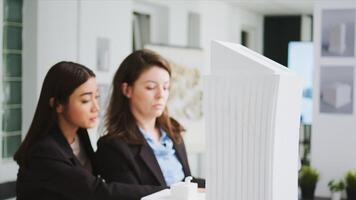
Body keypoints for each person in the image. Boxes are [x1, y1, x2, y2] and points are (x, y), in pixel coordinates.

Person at [14, 61, 165, 200]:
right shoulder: (44, 151)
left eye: (96, 97)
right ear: (58, 104)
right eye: (85, 100)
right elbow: (95, 191)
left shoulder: (79, 135)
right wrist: (165, 192)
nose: (96, 108)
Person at [95, 49, 205, 189]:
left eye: (166, 87)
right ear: (127, 90)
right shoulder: (113, 147)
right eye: (150, 87)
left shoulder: (173, 132)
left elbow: (186, 181)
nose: (161, 95)